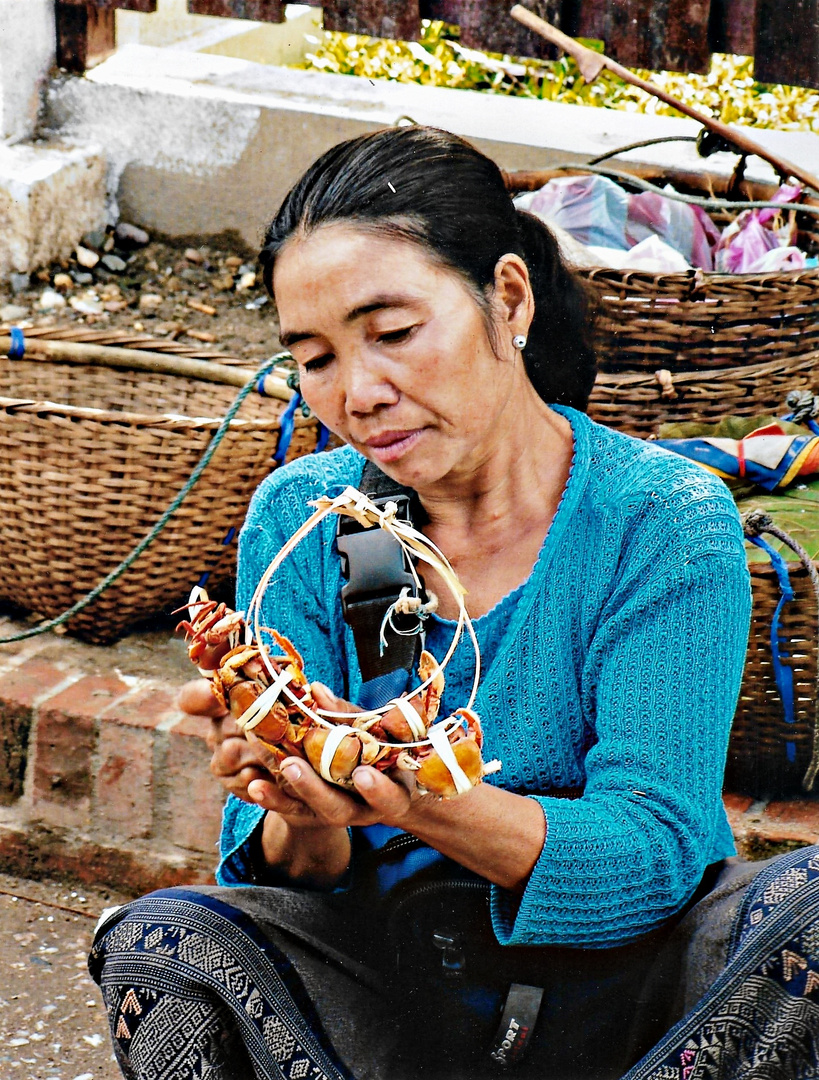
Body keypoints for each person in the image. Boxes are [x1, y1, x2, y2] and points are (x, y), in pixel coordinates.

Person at [89, 126, 819, 1080]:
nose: (357, 392)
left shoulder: (653, 520)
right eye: (313, 359)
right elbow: (280, 880)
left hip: (633, 1009)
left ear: (505, 297)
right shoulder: (322, 522)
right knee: (167, 944)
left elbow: (656, 851)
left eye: (392, 334)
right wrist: (301, 800)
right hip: (393, 999)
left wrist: (423, 796)